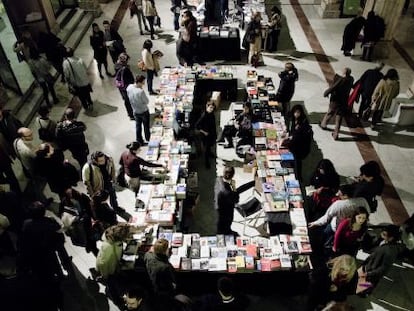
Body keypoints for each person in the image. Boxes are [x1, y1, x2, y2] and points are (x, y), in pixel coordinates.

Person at [358, 224, 405, 294]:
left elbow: (383, 269)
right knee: (360, 283)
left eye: (384, 234)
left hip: (371, 274)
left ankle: (363, 293)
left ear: (391, 238)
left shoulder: (390, 252)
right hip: (368, 268)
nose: (381, 234)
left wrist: (368, 274)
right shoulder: (384, 242)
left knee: (363, 287)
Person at [96, 223, 132, 308]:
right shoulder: (108, 246)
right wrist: (105, 275)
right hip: (108, 269)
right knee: (111, 285)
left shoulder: (115, 236)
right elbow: (103, 263)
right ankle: (118, 301)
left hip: (113, 263)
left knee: (116, 279)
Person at [60, 187, 99, 256]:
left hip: (86, 220)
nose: (70, 195)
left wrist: (93, 217)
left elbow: (90, 206)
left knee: (90, 235)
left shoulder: (81, 196)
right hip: (77, 223)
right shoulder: (64, 201)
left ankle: (93, 248)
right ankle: (89, 246)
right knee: (84, 236)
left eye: (71, 194)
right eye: (68, 194)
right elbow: (62, 213)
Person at [320, 67, 354, 140]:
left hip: (336, 101)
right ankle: (336, 134)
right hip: (344, 101)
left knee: (330, 112)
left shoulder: (341, 80)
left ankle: (323, 125)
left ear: (344, 72)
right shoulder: (351, 79)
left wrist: (326, 93)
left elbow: (333, 87)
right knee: (339, 118)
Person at [281, 105, 313, 181]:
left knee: (297, 161)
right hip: (294, 142)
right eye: (295, 112)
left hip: (300, 146)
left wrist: (291, 138)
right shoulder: (292, 119)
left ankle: (298, 177)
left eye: (298, 112)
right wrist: (288, 133)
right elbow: (291, 129)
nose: (296, 114)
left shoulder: (303, 122)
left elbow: (300, 135)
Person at [127, 75, 151, 145]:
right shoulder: (140, 91)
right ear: (139, 82)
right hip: (143, 111)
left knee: (138, 126)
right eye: (143, 82)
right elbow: (146, 101)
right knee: (146, 126)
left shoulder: (129, 87)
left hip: (135, 110)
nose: (143, 84)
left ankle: (139, 140)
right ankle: (148, 138)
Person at [214, 166, 239, 235]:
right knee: (225, 223)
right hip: (226, 209)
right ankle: (225, 233)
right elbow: (236, 200)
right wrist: (234, 187)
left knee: (221, 223)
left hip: (219, 206)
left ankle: (225, 231)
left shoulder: (218, 179)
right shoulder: (226, 191)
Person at [195, 101, 217, 169]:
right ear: (207, 107)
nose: (211, 109)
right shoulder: (204, 115)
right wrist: (204, 132)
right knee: (206, 149)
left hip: (211, 133)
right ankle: (206, 163)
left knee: (210, 145)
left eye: (212, 108)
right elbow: (197, 126)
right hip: (205, 135)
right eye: (210, 108)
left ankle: (210, 153)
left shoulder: (212, 114)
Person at [115, 53, 135, 120]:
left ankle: (130, 114)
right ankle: (131, 115)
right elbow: (130, 79)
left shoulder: (117, 65)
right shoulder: (125, 69)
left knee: (126, 100)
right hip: (126, 87)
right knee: (128, 101)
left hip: (121, 87)